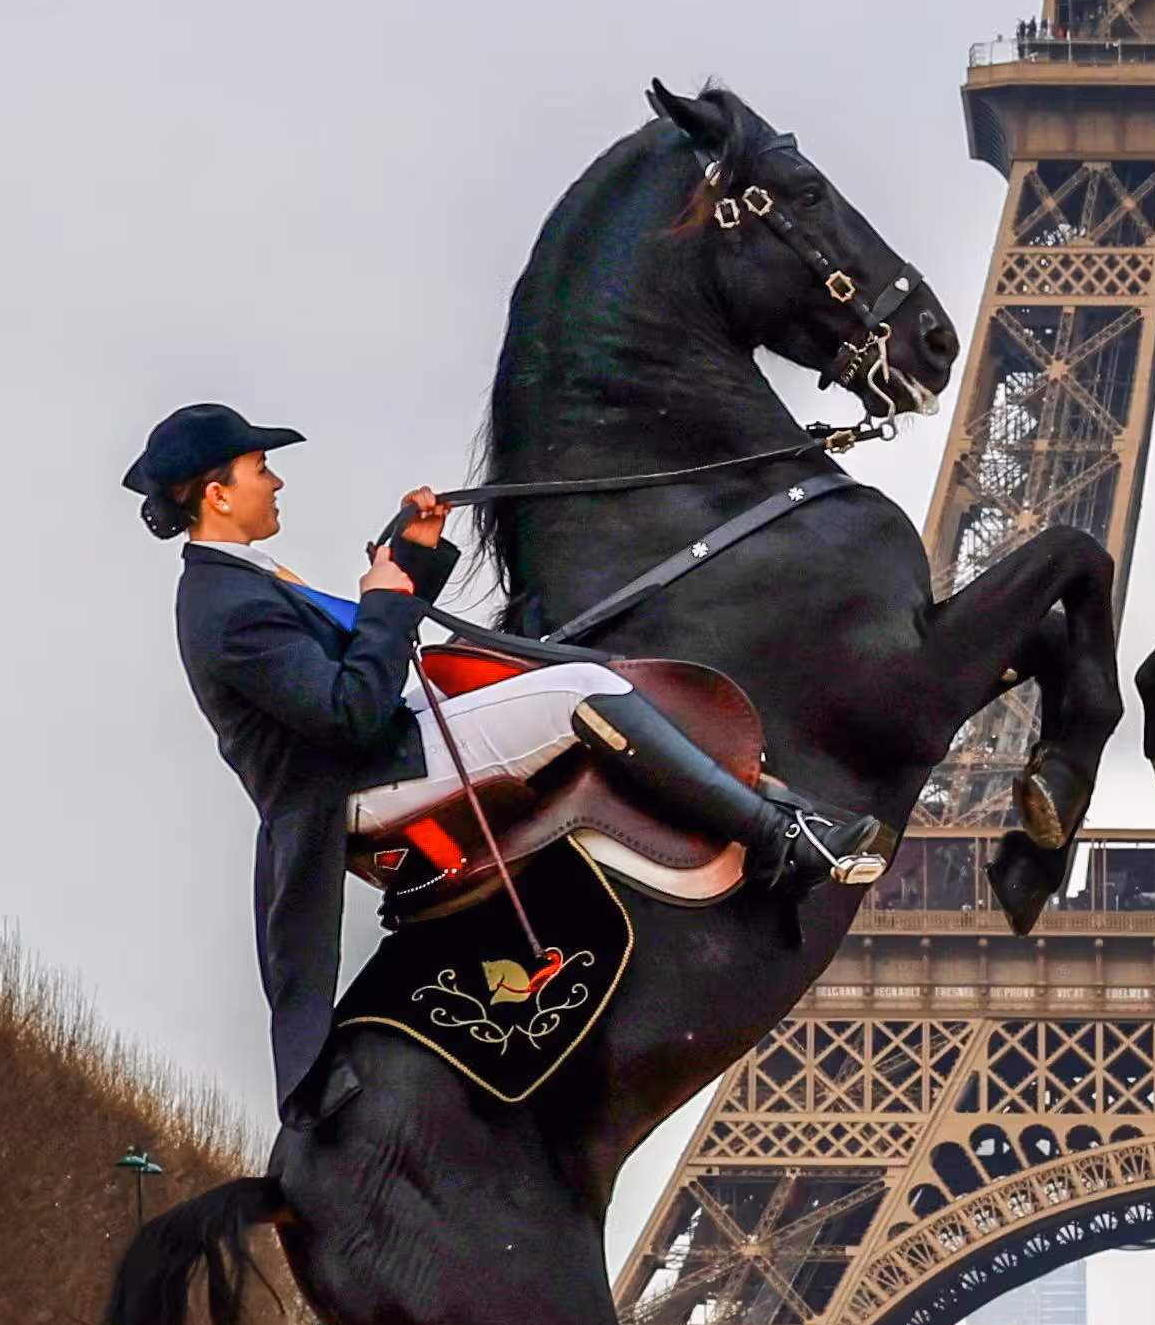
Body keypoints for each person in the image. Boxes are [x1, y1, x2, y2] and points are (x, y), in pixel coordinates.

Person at [126, 403, 888, 1106]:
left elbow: (363, 665)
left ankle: (753, 807)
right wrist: (387, 601)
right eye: (261, 469)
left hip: (377, 746)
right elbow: (349, 712)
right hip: (359, 777)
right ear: (217, 494)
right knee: (577, 691)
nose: (276, 479)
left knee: (540, 666)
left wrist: (412, 565)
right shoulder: (224, 607)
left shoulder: (241, 581)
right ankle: (780, 837)